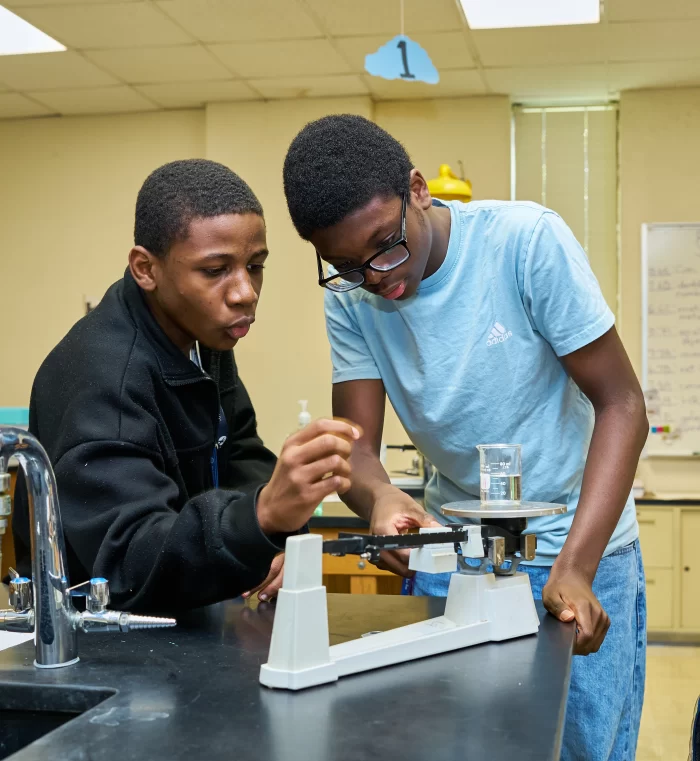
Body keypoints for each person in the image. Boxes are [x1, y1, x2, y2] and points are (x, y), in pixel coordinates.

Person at [282, 114, 648, 761]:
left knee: (576, 746)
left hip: (578, 543)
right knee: (439, 742)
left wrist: (576, 566)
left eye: (385, 247)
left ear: (418, 190)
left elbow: (621, 403)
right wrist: (383, 500)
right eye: (345, 264)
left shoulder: (526, 242)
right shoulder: (352, 293)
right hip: (452, 552)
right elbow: (360, 448)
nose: (376, 277)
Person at [13, 159, 358, 612]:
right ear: (145, 268)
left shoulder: (201, 336)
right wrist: (259, 517)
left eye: (255, 266)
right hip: (94, 636)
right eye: (215, 271)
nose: (245, 292)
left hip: (181, 615)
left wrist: (271, 533)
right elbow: (129, 562)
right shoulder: (102, 378)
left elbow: (237, 449)